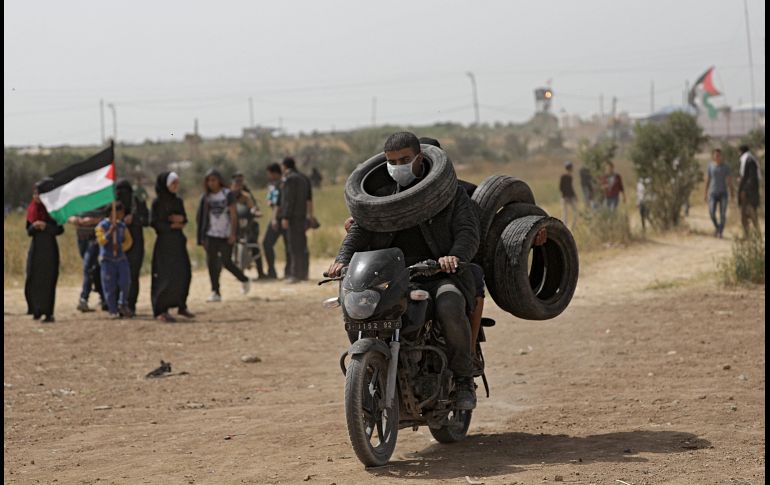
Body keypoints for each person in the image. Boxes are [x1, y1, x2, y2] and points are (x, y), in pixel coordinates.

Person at [327, 131, 480, 410]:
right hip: (391, 276)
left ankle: (462, 379)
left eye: (404, 159)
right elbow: (359, 231)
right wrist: (342, 259)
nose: (397, 166)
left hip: (437, 274)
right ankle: (372, 368)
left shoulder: (452, 194)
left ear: (420, 158)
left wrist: (454, 257)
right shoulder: (380, 197)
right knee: (355, 305)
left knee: (449, 303)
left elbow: (468, 233)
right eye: (392, 161)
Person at [196, 168, 251, 302]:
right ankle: (215, 291)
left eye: (213, 180)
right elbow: (201, 217)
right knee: (212, 263)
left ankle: (244, 279)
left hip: (225, 234)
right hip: (211, 234)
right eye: (208, 180)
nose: (211, 183)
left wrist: (233, 233)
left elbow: (233, 215)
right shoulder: (206, 197)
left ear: (219, 180)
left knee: (227, 262)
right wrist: (201, 237)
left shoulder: (227, 194)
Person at [150, 172, 194, 322]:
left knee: (183, 273)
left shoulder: (178, 201)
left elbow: (184, 218)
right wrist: (171, 225)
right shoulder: (157, 203)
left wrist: (181, 220)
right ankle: (161, 310)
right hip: (164, 244)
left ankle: (181, 305)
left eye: (177, 183)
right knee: (164, 276)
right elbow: (154, 223)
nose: (176, 186)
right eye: (173, 183)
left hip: (178, 242)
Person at [25, 180, 64, 323]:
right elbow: (28, 231)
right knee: (33, 278)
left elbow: (59, 230)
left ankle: (48, 313)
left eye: (40, 194)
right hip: (36, 249)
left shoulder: (53, 210)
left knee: (48, 280)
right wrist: (35, 226)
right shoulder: (32, 209)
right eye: (35, 193)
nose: (37, 197)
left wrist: (46, 226)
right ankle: (36, 310)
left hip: (50, 250)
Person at [115, 178, 149, 316]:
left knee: (132, 276)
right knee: (116, 275)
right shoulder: (113, 205)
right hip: (117, 245)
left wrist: (134, 220)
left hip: (136, 245)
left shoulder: (138, 203)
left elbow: (147, 220)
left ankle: (131, 305)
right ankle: (117, 305)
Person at [95, 202, 133, 319]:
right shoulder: (101, 226)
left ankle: (123, 303)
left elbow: (129, 241)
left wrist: (121, 247)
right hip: (107, 259)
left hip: (120, 258)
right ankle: (112, 309)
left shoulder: (121, 226)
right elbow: (101, 241)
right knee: (109, 285)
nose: (121, 215)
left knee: (125, 281)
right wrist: (109, 233)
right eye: (119, 212)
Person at [280, 157, 313, 283]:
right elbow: (309, 199)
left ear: (285, 166)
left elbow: (289, 200)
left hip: (293, 217)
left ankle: (295, 274)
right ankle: (304, 273)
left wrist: (285, 216)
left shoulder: (290, 179)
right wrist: (310, 216)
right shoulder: (304, 178)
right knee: (302, 245)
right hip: (302, 216)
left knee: (293, 246)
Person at [70, 207, 107, 312]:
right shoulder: (78, 200)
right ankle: (104, 297)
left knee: (88, 267)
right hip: (81, 238)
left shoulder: (100, 200)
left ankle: (83, 298)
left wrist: (94, 220)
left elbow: (109, 216)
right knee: (94, 269)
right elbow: (68, 214)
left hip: (95, 237)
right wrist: (74, 219)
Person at [231, 172, 266, 280]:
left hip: (247, 225)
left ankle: (260, 272)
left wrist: (255, 212)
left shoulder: (246, 196)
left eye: (240, 182)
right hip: (234, 225)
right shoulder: (228, 195)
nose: (238, 185)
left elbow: (252, 207)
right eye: (236, 182)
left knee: (254, 245)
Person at [263, 163, 286, 280]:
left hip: (282, 217)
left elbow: (279, 203)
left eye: (270, 173)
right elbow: (271, 200)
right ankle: (271, 271)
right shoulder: (272, 185)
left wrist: (274, 218)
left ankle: (290, 271)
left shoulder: (284, 183)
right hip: (276, 217)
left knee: (288, 245)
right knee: (267, 243)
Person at [704, 148, 733, 238]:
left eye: (719, 155)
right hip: (713, 193)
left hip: (723, 193)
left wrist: (732, 192)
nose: (717, 157)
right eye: (716, 155)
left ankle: (720, 232)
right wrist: (705, 193)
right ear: (713, 156)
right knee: (712, 212)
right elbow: (708, 180)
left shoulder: (726, 167)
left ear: (721, 156)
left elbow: (729, 181)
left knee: (722, 214)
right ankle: (717, 227)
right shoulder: (710, 166)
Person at [737, 145, 761, 237]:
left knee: (748, 213)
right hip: (752, 191)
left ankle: (752, 235)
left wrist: (744, 190)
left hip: (748, 192)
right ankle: (751, 235)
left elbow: (748, 177)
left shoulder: (746, 159)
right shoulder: (752, 159)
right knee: (748, 213)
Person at [559, 161, 578, 228]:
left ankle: (567, 226)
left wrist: (574, 195)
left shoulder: (568, 176)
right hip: (567, 197)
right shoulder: (566, 176)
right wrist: (573, 195)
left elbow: (562, 187)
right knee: (569, 212)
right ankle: (570, 226)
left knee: (565, 213)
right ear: (570, 168)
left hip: (566, 196)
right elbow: (562, 187)